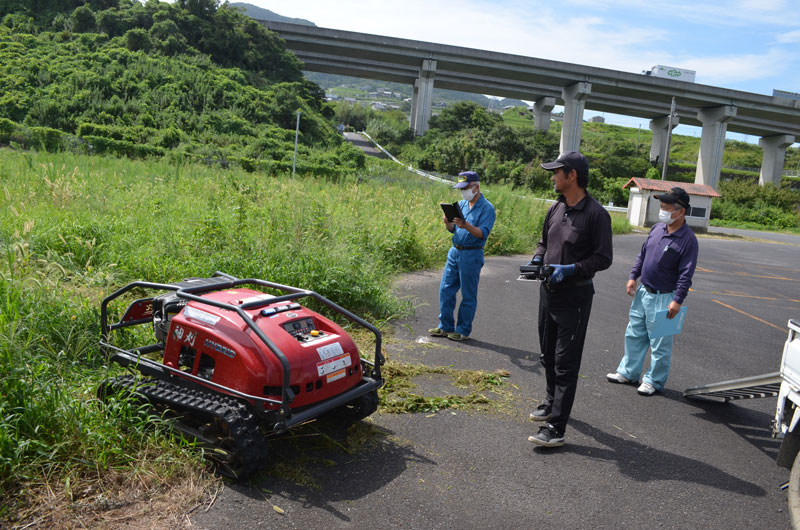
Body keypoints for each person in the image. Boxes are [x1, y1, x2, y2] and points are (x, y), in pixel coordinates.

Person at [527, 151, 613, 448]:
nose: (553, 176)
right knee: (547, 355)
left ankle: (556, 427)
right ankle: (551, 403)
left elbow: (603, 258)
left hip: (574, 295)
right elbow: (543, 242)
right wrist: (538, 260)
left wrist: (572, 269)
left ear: (572, 175)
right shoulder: (556, 207)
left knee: (566, 362)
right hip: (548, 291)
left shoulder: (596, 214)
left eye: (556, 172)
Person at [606, 186, 699, 396]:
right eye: (662, 206)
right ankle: (628, 372)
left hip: (665, 297)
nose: (662, 211)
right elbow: (642, 255)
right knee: (634, 334)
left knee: (660, 344)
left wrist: (678, 300)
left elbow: (686, 273)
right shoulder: (657, 228)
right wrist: (632, 277)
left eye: (666, 207)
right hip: (643, 292)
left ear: (681, 211)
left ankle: (654, 381)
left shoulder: (688, 240)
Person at [428, 171, 496, 341]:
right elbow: (454, 229)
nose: (463, 192)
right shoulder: (462, 205)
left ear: (476, 187)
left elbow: (482, 233)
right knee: (446, 289)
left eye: (465, 188)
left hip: (472, 253)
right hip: (455, 250)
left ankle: (463, 329)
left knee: (468, 294)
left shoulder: (487, 208)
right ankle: (445, 326)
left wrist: (466, 225)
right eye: (461, 188)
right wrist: (448, 223)